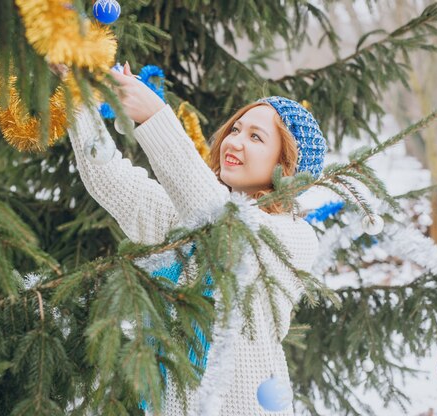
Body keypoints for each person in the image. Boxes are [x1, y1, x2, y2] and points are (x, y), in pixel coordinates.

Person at [63, 62, 326, 415]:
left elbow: (223, 225)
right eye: (236, 128)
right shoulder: (185, 219)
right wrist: (78, 93)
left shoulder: (293, 238)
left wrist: (155, 115)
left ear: (287, 166)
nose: (234, 141)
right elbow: (109, 179)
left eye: (255, 137)